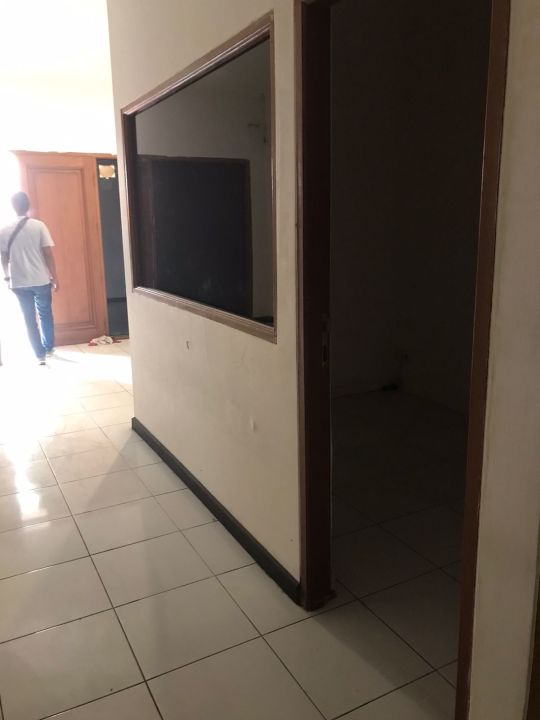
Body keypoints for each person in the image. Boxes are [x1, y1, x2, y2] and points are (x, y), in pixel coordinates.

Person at [0, 192, 59, 365]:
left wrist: (7, 277)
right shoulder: (39, 226)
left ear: (13, 206)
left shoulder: (4, 230)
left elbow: (3, 256)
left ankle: (39, 355)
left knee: (29, 318)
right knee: (45, 314)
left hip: (18, 281)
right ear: (28, 205)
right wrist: (55, 277)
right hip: (40, 279)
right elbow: (48, 253)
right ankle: (49, 348)